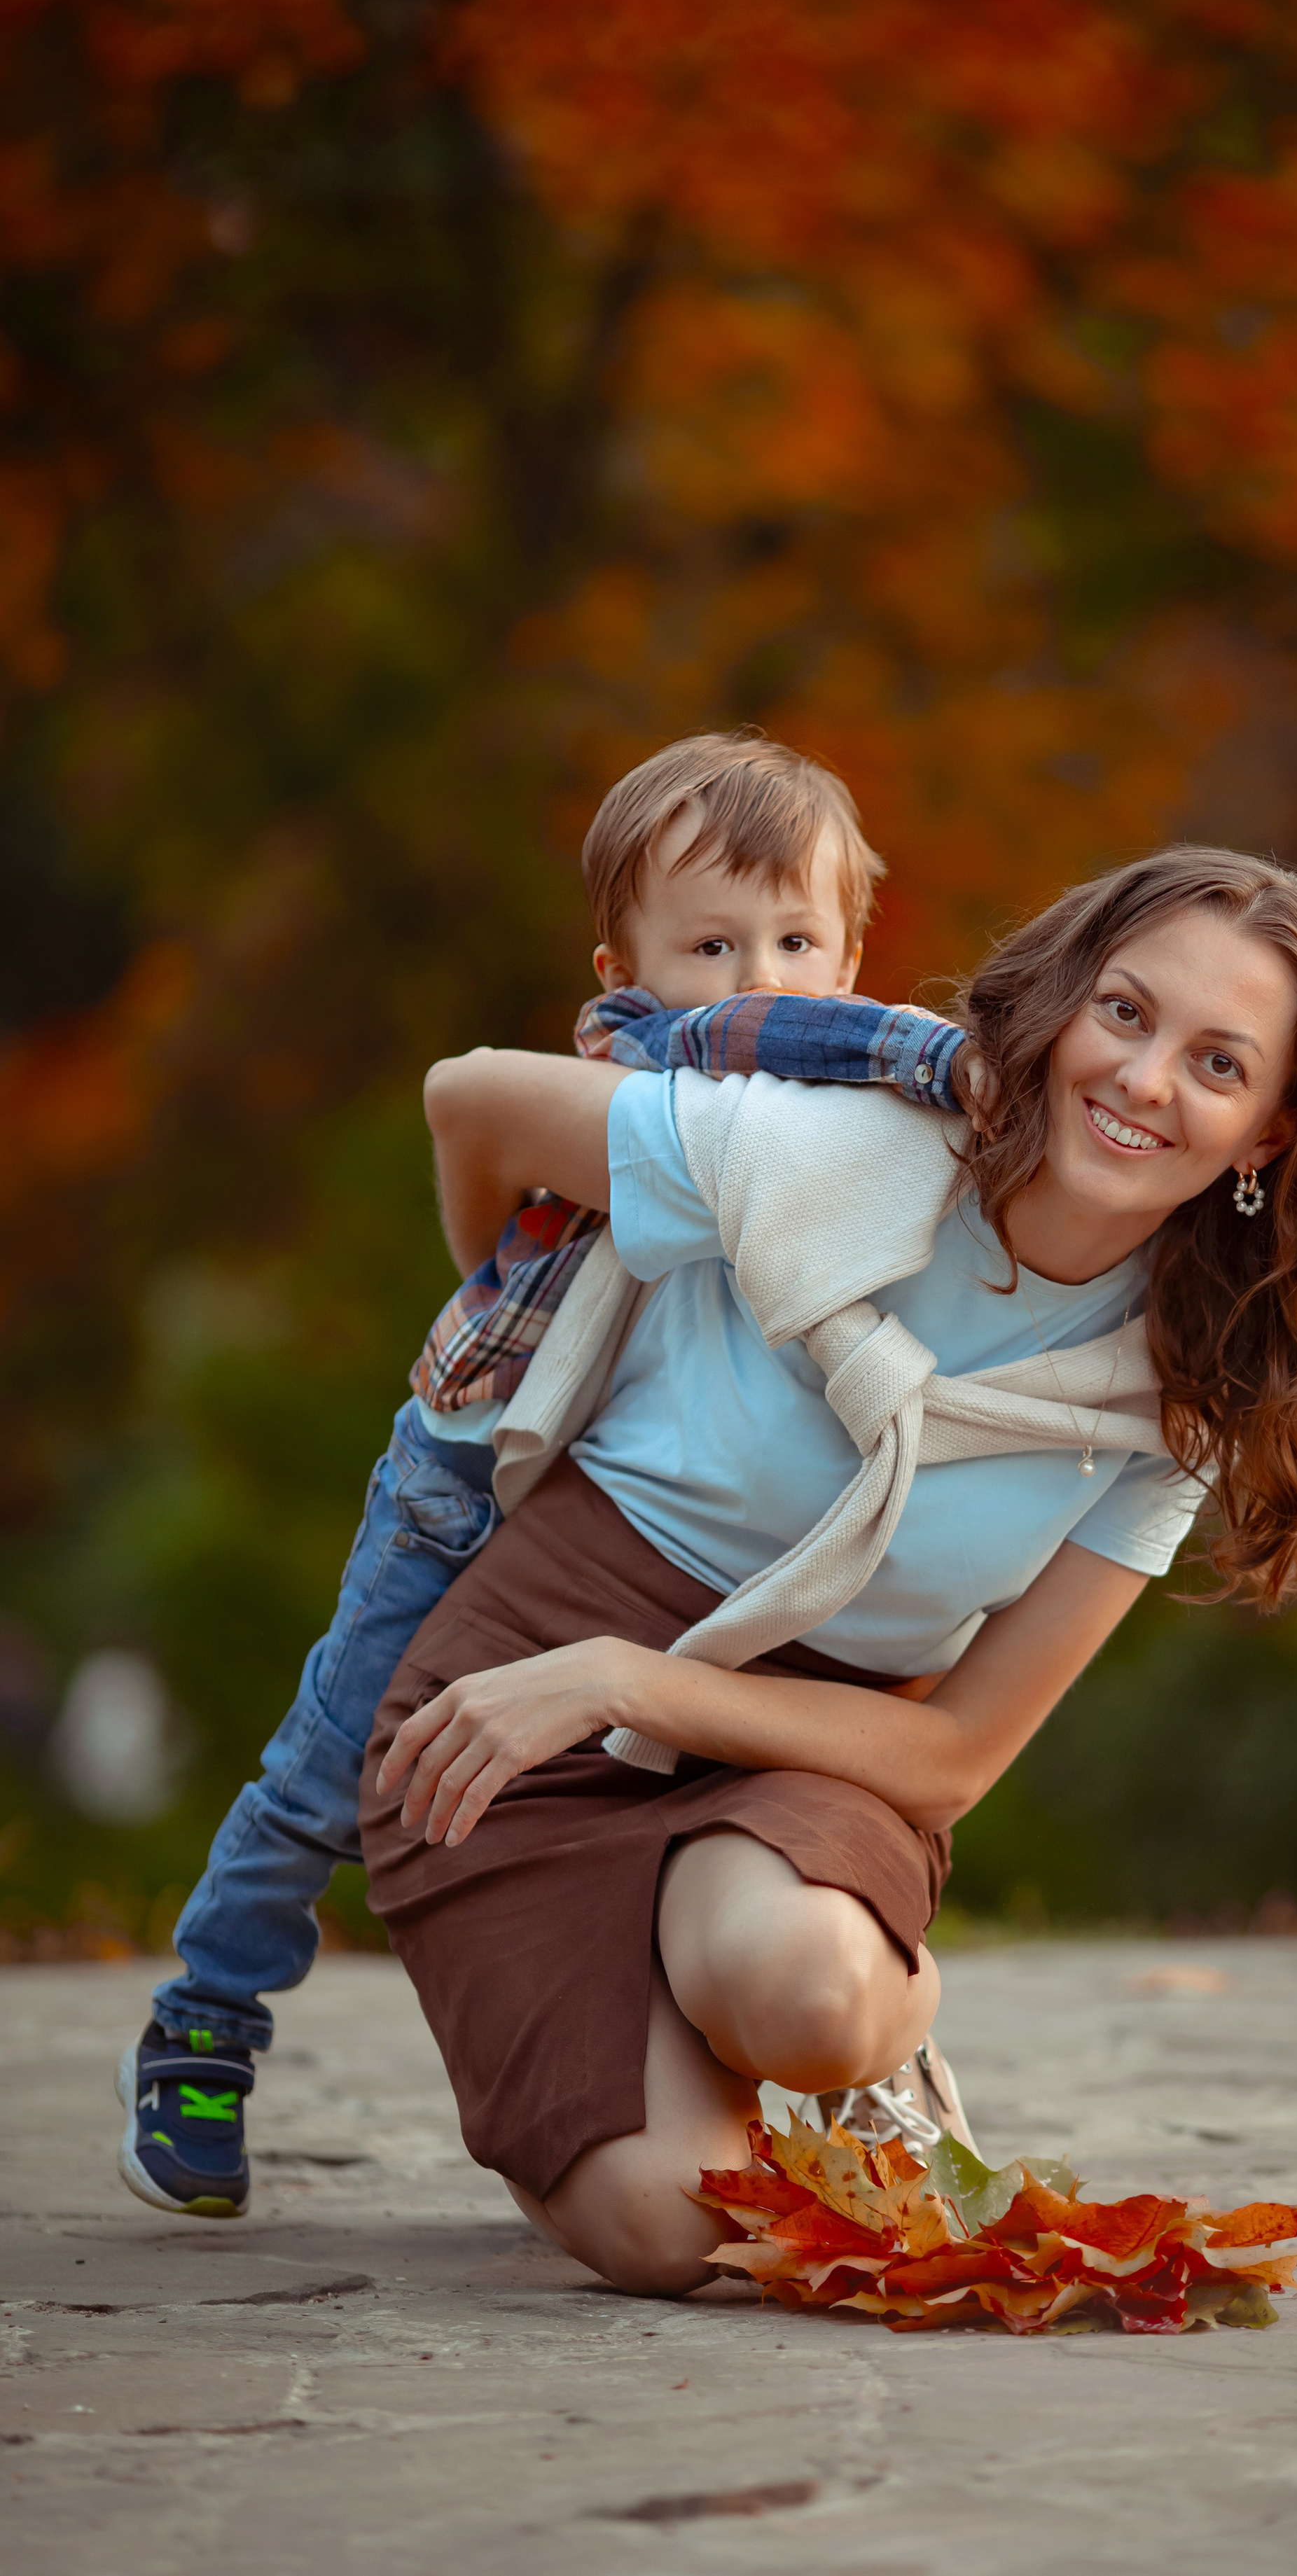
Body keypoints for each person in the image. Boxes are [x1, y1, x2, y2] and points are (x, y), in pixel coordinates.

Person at [365, 844, 1297, 2299]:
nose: (1144, 1082)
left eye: (1216, 1062)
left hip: (803, 1745)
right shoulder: (826, 1150)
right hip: (517, 1704)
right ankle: (622, 2098)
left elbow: (950, 1754)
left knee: (804, 1995)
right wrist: (510, 1320)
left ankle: (871, 2023)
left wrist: (638, 1680)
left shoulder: (1175, 1389)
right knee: (666, 2232)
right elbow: (470, 1098)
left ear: (1268, 1131)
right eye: (1124, 1015)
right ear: (1064, 1003)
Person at [118, 733, 971, 2219]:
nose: (753, 973)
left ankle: (742, 2028)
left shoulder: (828, 1125)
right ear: (622, 962)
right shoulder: (669, 1057)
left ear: (848, 945)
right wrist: (946, 1056)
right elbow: (762, 1055)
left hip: (608, 1518)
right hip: (463, 1478)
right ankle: (210, 2015)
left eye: (794, 940)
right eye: (708, 942)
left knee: (658, 1762)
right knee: (333, 1759)